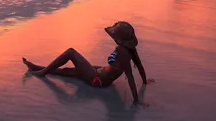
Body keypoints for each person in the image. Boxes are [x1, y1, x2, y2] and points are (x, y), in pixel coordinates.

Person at [22, 21, 154, 106]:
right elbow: (140, 66)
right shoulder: (131, 49)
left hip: (96, 79)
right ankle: (36, 67)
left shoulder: (122, 51)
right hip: (97, 73)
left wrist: (136, 101)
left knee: (70, 52)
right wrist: (144, 81)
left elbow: (130, 75)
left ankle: (41, 73)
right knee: (66, 71)